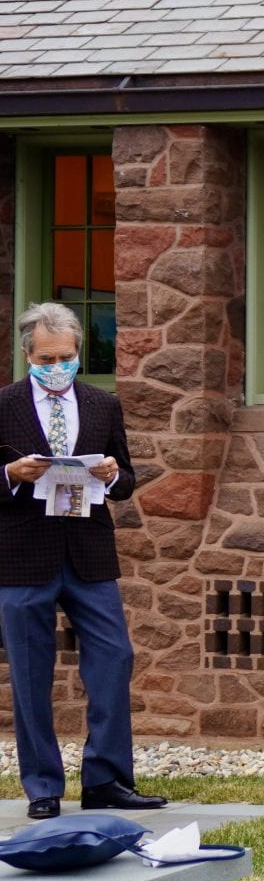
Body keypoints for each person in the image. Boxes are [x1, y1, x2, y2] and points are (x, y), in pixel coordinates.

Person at [0, 303, 164, 819]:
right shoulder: (4, 404)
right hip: (22, 557)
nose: (57, 367)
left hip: (89, 554)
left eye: (66, 357)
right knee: (30, 672)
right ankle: (43, 787)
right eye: (46, 359)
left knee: (114, 658)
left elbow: (127, 479)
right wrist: (10, 474)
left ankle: (107, 781)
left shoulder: (101, 404)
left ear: (78, 353)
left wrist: (113, 475)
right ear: (27, 355)